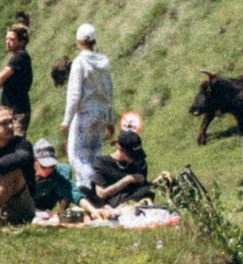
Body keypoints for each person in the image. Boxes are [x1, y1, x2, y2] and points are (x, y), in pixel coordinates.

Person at [61, 22, 114, 195]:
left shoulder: (79, 62)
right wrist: (111, 120)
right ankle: (99, 191)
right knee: (95, 154)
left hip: (85, 113)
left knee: (77, 156)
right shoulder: (104, 62)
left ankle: (87, 193)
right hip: (102, 113)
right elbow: (110, 92)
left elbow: (74, 94)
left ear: (78, 41)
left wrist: (67, 120)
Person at [87, 111, 153, 207]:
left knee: (146, 191)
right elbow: (101, 194)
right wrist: (127, 180)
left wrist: (159, 181)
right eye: (131, 155)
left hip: (134, 197)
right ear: (120, 148)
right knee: (83, 191)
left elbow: (144, 186)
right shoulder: (102, 163)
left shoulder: (139, 162)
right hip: (111, 203)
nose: (134, 159)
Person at [0, 17, 33, 123]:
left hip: (17, 111)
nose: (8, 42)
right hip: (12, 110)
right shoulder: (18, 56)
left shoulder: (21, 56)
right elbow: (0, 82)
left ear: (22, 42)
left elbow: (1, 77)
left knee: (15, 139)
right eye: (7, 39)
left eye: (12, 40)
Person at [28, 138, 77, 217]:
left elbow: (70, 191)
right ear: (35, 162)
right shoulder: (25, 173)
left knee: (65, 169)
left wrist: (62, 211)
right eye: (44, 166)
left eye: (51, 166)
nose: (48, 170)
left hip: (46, 207)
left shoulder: (56, 173)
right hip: (28, 207)